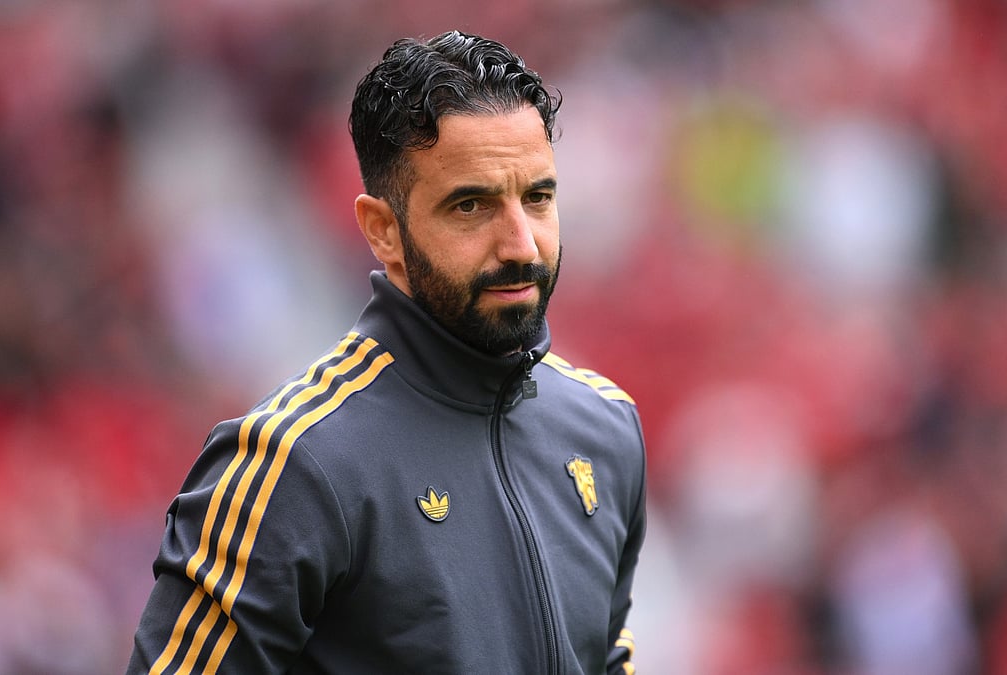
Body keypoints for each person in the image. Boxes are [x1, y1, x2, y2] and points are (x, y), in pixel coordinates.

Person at [128, 30, 647, 675]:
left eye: (537, 198)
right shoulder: (293, 466)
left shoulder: (606, 429)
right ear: (383, 231)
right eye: (471, 205)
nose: (521, 243)